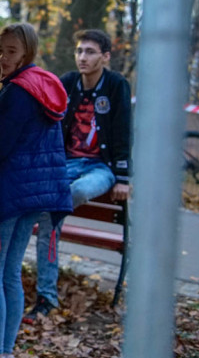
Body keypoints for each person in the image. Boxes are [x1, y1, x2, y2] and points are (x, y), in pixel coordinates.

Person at [0, 23, 71, 358]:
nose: (3, 57)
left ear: (27, 53)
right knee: (10, 272)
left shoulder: (18, 92)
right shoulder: (45, 88)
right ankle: (4, 355)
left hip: (7, 194)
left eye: (11, 51)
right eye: (0, 49)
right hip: (35, 195)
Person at [26, 29, 132, 322]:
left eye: (90, 52)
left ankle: (39, 214)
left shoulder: (116, 85)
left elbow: (123, 131)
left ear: (105, 57)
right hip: (66, 163)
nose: (82, 57)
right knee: (50, 217)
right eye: (79, 51)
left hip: (100, 167)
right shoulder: (68, 82)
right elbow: (45, 120)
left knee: (78, 192)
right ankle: (46, 297)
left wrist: (123, 178)